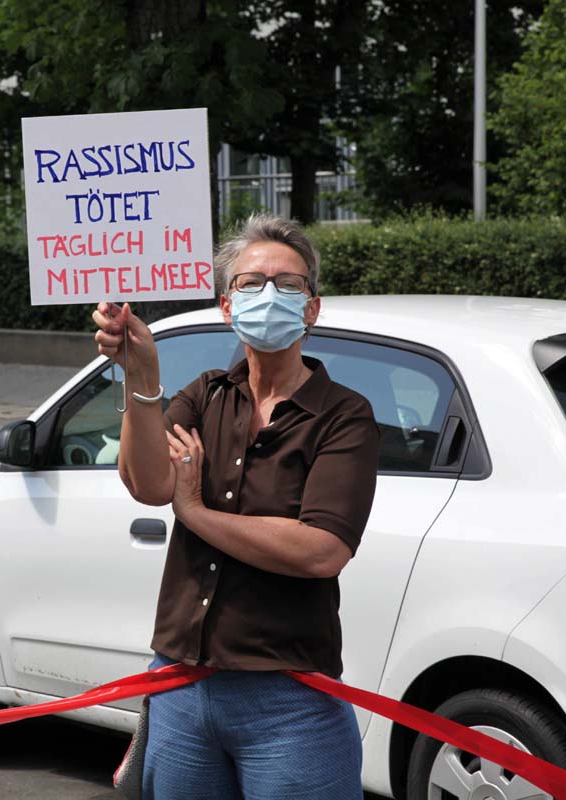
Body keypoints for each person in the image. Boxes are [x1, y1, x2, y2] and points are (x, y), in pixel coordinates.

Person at [92, 214, 379, 799]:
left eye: (289, 285)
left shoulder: (343, 415)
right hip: (180, 690)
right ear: (227, 306)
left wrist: (195, 513)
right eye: (251, 284)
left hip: (289, 702)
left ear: (312, 308)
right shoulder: (203, 394)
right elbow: (148, 483)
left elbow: (320, 550)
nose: (268, 296)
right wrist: (141, 373)